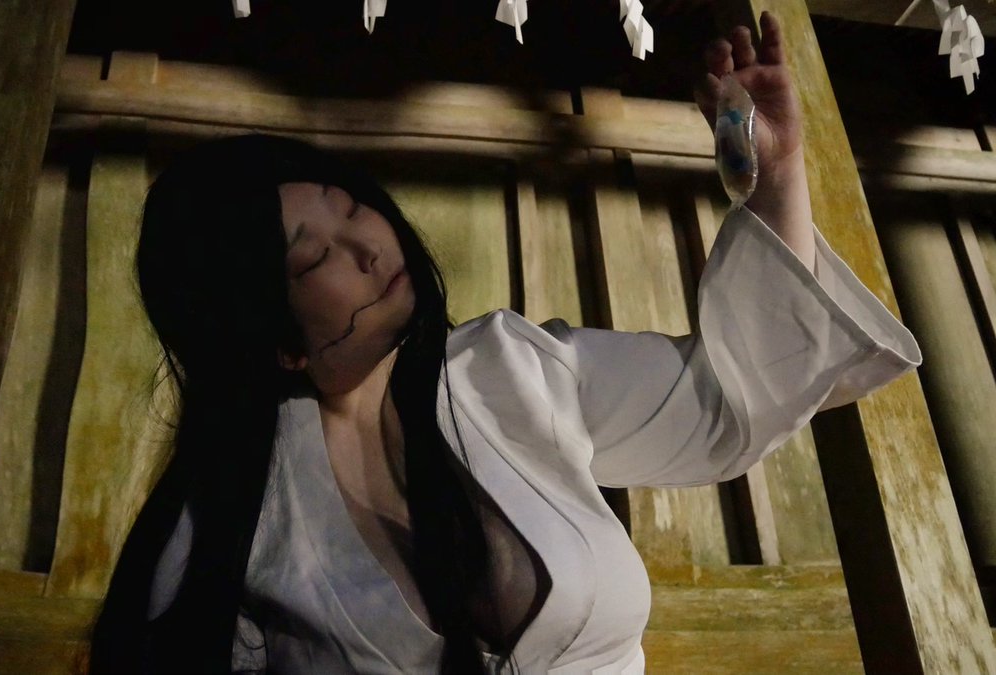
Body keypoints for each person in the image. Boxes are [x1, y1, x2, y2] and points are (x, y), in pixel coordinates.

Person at [90, 12, 921, 674]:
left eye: (352, 208)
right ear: (272, 341)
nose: (369, 245)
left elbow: (722, 404)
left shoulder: (508, 368)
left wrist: (776, 173)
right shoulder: (231, 514)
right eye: (315, 256)